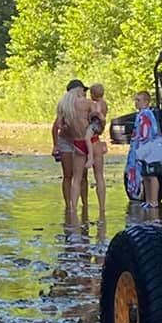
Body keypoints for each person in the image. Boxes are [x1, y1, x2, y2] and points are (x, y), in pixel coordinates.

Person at [51, 78, 90, 222]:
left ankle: (84, 205)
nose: (85, 93)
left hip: (80, 140)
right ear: (77, 91)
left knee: (83, 175)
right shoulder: (65, 106)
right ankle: (69, 206)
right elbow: (55, 127)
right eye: (83, 90)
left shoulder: (85, 105)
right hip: (67, 141)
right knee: (68, 174)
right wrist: (56, 145)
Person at [124, 89, 162, 206]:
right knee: (145, 175)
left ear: (146, 102)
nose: (136, 103)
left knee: (152, 174)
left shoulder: (147, 114)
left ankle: (154, 200)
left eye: (138, 100)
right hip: (140, 149)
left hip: (148, 148)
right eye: (135, 100)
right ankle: (148, 200)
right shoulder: (140, 115)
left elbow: (148, 133)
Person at [85, 83, 109, 220]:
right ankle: (102, 207)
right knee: (99, 176)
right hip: (98, 138)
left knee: (87, 137)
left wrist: (90, 115)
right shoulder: (105, 103)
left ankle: (90, 157)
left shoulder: (97, 104)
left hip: (94, 131)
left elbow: (98, 114)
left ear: (93, 94)